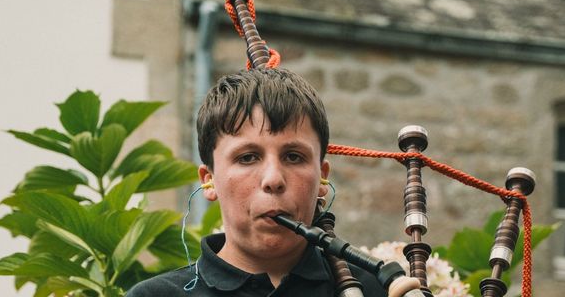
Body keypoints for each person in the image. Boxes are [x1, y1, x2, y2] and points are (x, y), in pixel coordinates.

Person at [126, 68, 387, 296]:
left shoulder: (375, 290)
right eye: (248, 157)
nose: (273, 179)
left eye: (293, 157)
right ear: (209, 181)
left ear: (322, 177)